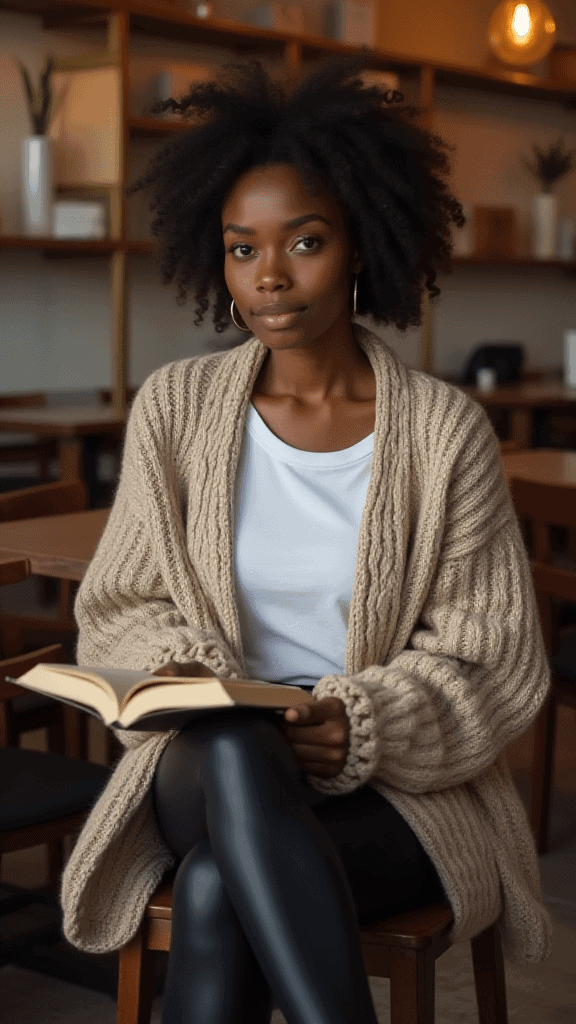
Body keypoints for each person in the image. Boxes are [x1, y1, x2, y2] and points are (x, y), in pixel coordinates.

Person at [59, 48, 553, 1024]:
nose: (269, 278)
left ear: (362, 243)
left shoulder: (443, 431)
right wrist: (201, 674)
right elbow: (119, 608)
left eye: (305, 242)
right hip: (206, 768)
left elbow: (493, 661)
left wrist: (357, 721)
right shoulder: (176, 408)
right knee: (240, 739)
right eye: (243, 248)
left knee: (215, 892)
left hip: (394, 786)